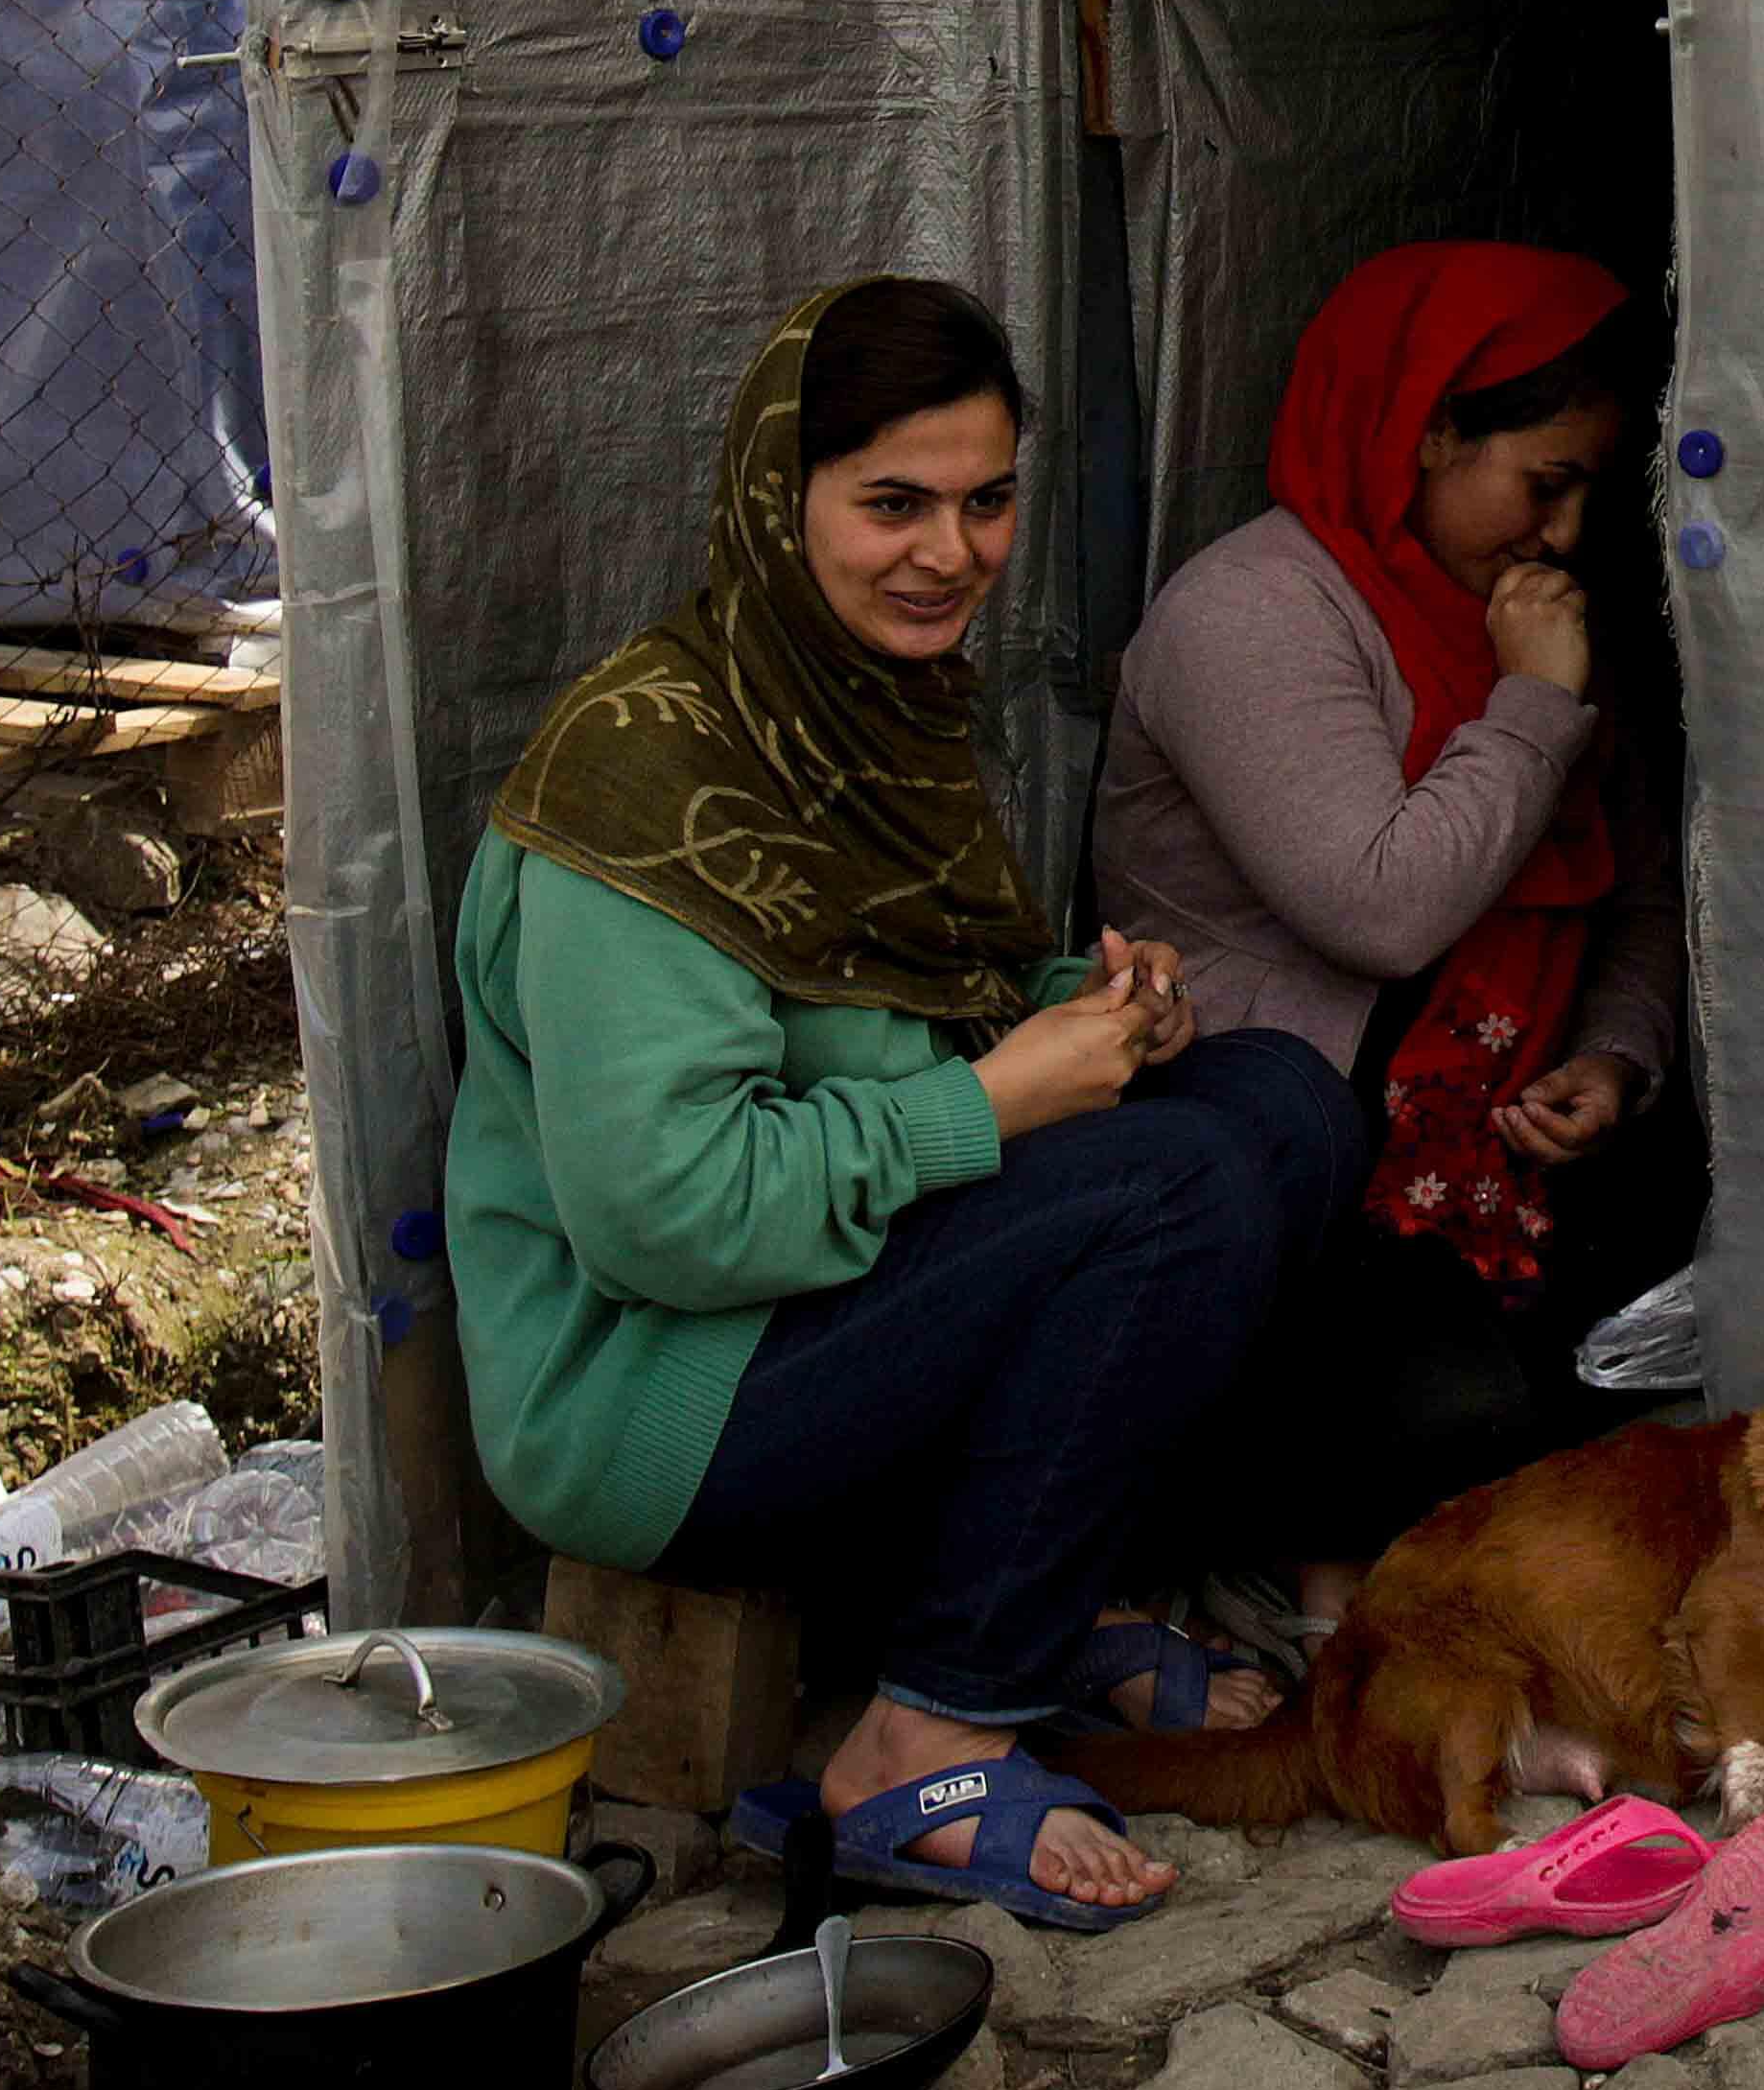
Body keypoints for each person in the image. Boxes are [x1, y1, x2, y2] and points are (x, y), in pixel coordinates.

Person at [443, 277, 1363, 1930]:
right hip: (652, 1391)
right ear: (776, 501)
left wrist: (1075, 1020)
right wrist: (1003, 1100)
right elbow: (668, 1216)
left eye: (985, 501)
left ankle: (1047, 1601)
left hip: (812, 1308)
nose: (948, 551)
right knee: (1171, 1193)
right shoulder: (644, 784)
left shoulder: (863, 716)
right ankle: (923, 1732)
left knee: (1280, 1105)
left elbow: (883, 1019)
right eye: (892, 505)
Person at [1087, 241, 1698, 1632]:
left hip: (1493, 1147)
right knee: (1462, 1411)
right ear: (1426, 428)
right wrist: (1535, 705)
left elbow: (1644, 894)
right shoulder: (1254, 612)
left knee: (1677, 1341)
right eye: (1543, 482)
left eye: (1592, 491)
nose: (1563, 534)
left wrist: (1612, 1055)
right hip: (1298, 1162)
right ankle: (1279, 1585)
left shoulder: (1510, 614)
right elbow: (1383, 904)